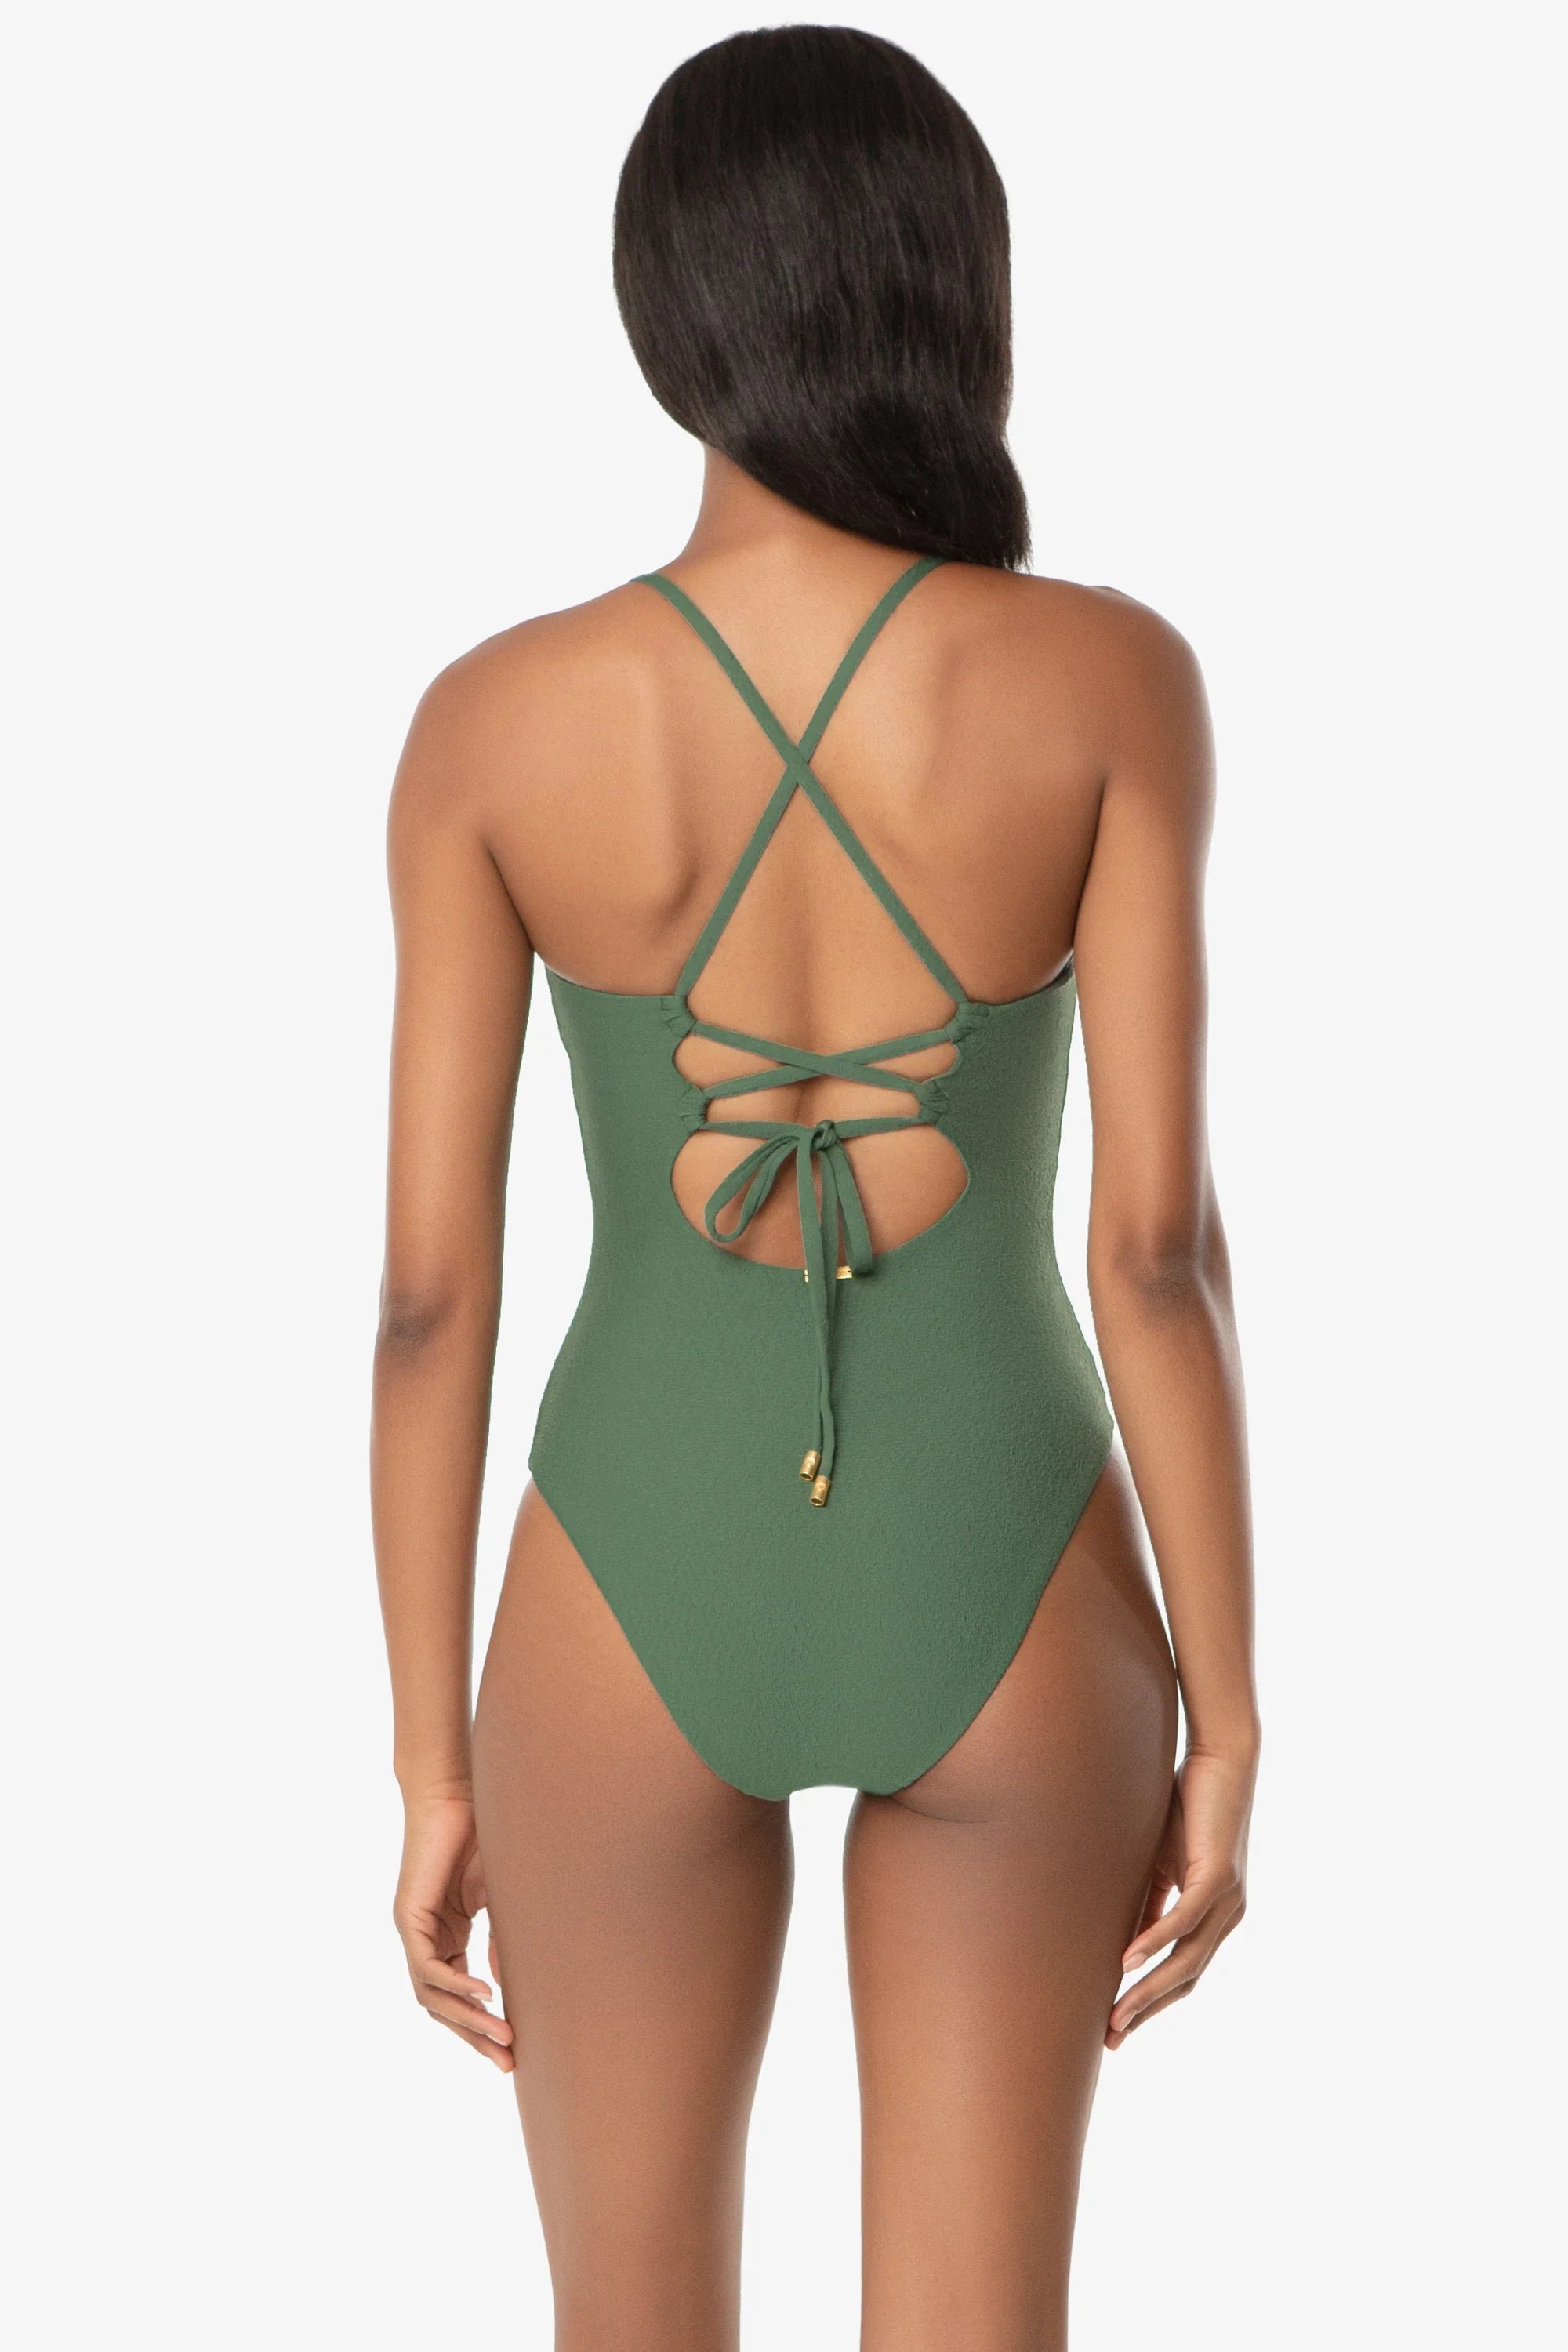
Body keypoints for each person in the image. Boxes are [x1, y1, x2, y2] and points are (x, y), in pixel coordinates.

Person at [372, 26, 1257, 2349]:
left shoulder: (494, 720)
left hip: (623, 1570)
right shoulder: (1109, 681)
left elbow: (430, 1303)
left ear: (665, 306)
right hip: (1015, 1566)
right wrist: (1234, 1712)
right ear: (953, 284)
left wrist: (430, 1758)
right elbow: (1157, 1255)